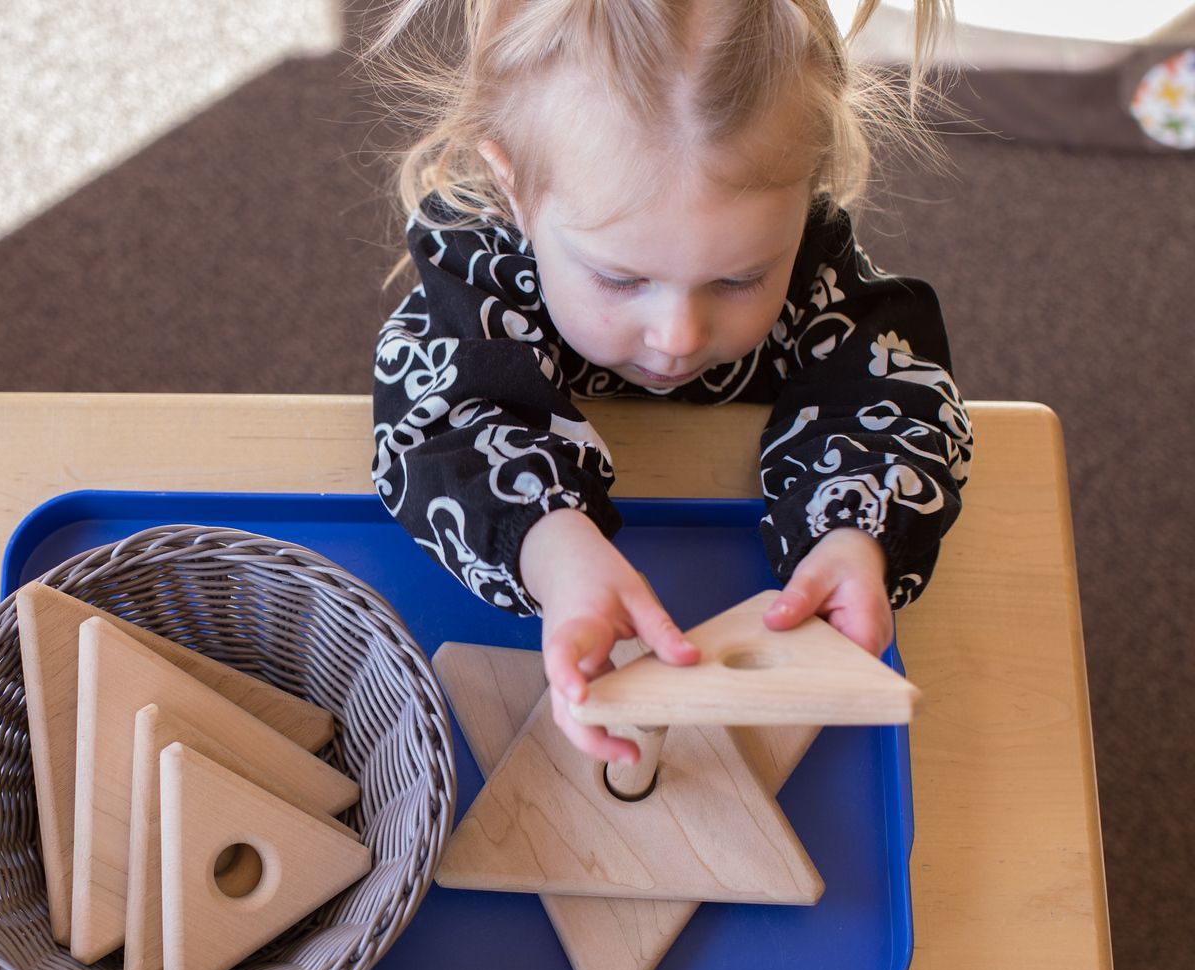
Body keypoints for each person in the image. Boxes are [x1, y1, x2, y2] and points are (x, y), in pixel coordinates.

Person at [366, 0, 974, 766]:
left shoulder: (819, 270)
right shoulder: (479, 272)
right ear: (513, 187)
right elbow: (435, 422)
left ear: (807, 192)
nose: (680, 336)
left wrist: (856, 531)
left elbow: (898, 394)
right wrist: (551, 549)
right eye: (621, 279)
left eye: (740, 277)